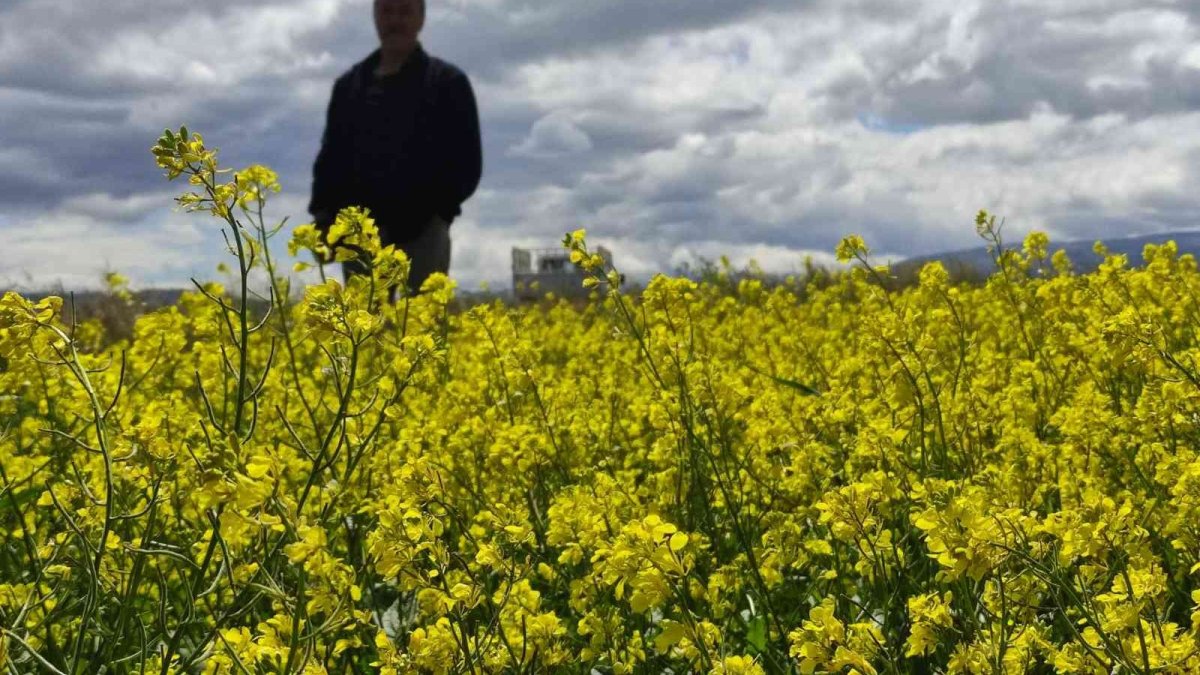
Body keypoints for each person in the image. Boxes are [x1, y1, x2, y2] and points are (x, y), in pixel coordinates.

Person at [308, 0, 482, 296]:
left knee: (422, 333)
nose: (395, 20)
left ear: (421, 18)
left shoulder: (447, 83)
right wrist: (323, 220)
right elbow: (330, 161)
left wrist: (437, 212)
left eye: (405, 11)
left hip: (423, 232)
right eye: (387, 11)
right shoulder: (349, 87)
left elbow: (467, 164)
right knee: (365, 335)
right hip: (358, 238)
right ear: (375, 16)